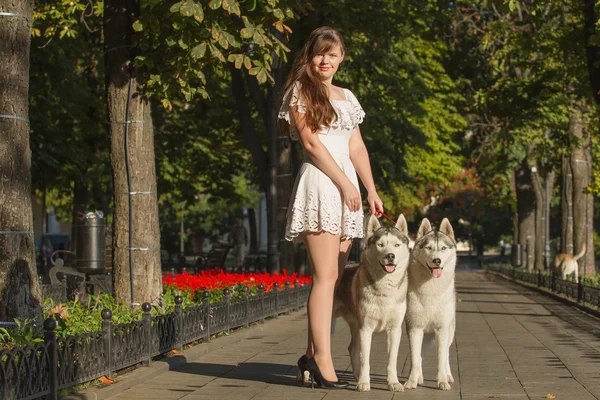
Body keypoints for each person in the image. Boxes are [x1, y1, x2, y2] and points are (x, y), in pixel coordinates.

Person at [278, 26, 384, 389]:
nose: (326, 60)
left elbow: (356, 148)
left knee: (335, 278)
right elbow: (311, 144)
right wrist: (342, 182)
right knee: (325, 278)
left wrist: (370, 189)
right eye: (320, 53)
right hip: (323, 185)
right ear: (310, 55)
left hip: (348, 191)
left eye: (333, 54)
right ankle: (322, 359)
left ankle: (310, 355)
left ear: (342, 57)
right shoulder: (300, 92)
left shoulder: (346, 96)